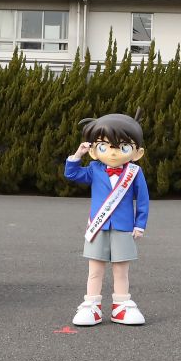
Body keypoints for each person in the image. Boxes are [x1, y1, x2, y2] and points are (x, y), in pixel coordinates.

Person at [65, 113, 150, 326]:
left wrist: (140, 224)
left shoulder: (135, 172)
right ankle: (91, 305)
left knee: (121, 270)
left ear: (137, 153)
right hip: (98, 227)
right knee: (95, 270)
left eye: (122, 147)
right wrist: (77, 154)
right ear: (94, 150)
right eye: (105, 146)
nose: (113, 152)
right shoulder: (94, 169)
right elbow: (72, 176)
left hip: (124, 228)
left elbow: (143, 201)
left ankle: (121, 306)